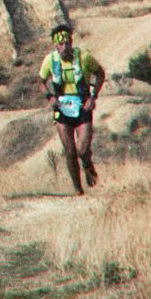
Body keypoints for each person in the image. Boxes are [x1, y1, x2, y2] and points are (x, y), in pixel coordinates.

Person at [40, 23, 105, 196]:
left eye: (67, 43)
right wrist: (50, 97)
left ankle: (89, 168)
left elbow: (100, 73)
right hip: (62, 108)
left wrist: (93, 97)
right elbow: (41, 80)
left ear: (71, 41)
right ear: (55, 45)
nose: (65, 47)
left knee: (83, 150)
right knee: (70, 151)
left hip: (83, 106)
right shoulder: (50, 60)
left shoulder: (84, 57)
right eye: (61, 44)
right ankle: (78, 190)